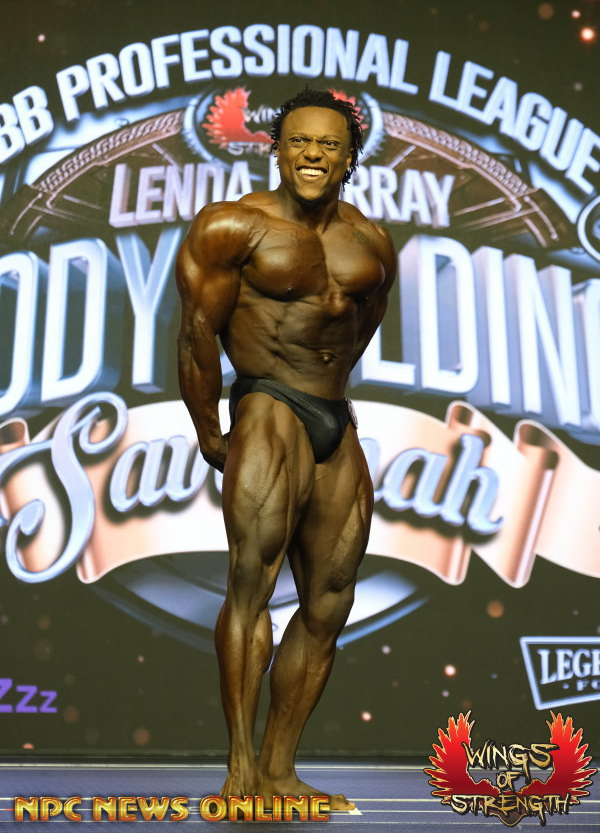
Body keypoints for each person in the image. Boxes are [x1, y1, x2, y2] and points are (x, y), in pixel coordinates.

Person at [176, 89, 397, 810]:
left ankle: (278, 769)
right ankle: (240, 766)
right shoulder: (232, 227)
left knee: (330, 601)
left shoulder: (371, 242)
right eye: (299, 141)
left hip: (334, 414)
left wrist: (328, 391)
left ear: (350, 158)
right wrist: (212, 428)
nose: (312, 154)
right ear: (276, 148)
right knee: (253, 582)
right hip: (268, 403)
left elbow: (360, 329)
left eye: (328, 145)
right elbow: (196, 335)